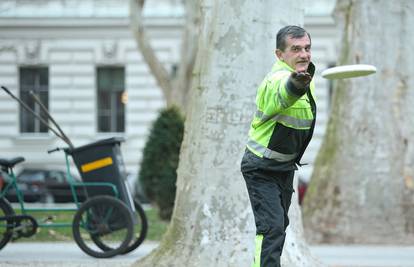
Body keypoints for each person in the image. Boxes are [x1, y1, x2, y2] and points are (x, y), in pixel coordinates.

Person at [241, 25, 316, 267]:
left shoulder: (306, 77)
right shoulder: (277, 80)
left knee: (278, 229)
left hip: (283, 168)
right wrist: (295, 85)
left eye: (307, 48)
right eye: (295, 49)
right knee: (271, 229)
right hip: (261, 168)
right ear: (279, 55)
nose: (303, 54)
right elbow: (282, 94)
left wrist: (301, 82)